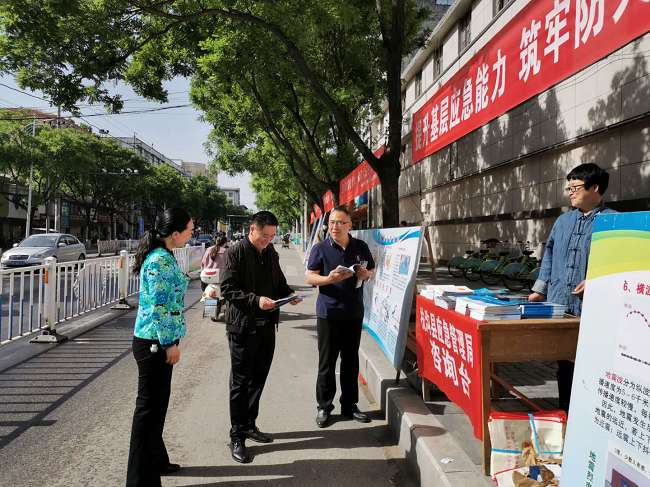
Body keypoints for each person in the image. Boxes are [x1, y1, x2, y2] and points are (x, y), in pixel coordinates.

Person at [528, 163, 615, 411]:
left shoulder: (614, 221)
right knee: (564, 361)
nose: (570, 193)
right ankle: (565, 410)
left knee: (591, 361)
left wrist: (597, 280)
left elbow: (622, 264)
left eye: (575, 187)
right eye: (569, 188)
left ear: (595, 188)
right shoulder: (563, 221)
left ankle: (590, 411)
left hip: (592, 308)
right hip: (560, 303)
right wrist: (539, 289)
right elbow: (549, 255)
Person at [220, 210, 298, 464]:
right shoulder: (235, 252)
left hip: (267, 325)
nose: (268, 240)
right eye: (264, 236)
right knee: (240, 382)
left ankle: (250, 424)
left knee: (258, 378)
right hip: (243, 327)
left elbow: (278, 282)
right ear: (251, 229)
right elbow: (228, 288)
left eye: (272, 236)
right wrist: (256, 301)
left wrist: (289, 294)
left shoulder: (271, 252)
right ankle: (237, 436)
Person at [125, 208, 194, 487]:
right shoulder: (159, 260)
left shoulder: (165, 256)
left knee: (156, 409)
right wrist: (169, 344)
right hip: (154, 343)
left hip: (157, 341)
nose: (191, 234)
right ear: (175, 233)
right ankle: (140, 481)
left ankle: (156, 460)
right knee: (148, 412)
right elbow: (159, 307)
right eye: (189, 229)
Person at [305, 205, 375, 428]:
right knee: (327, 362)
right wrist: (329, 279)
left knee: (351, 360)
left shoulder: (360, 247)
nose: (334, 227)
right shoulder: (320, 248)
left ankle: (350, 405)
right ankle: (324, 406)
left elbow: (371, 271)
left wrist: (365, 274)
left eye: (340, 222)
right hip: (329, 313)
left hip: (353, 312)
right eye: (332, 222)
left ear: (349, 225)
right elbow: (310, 277)